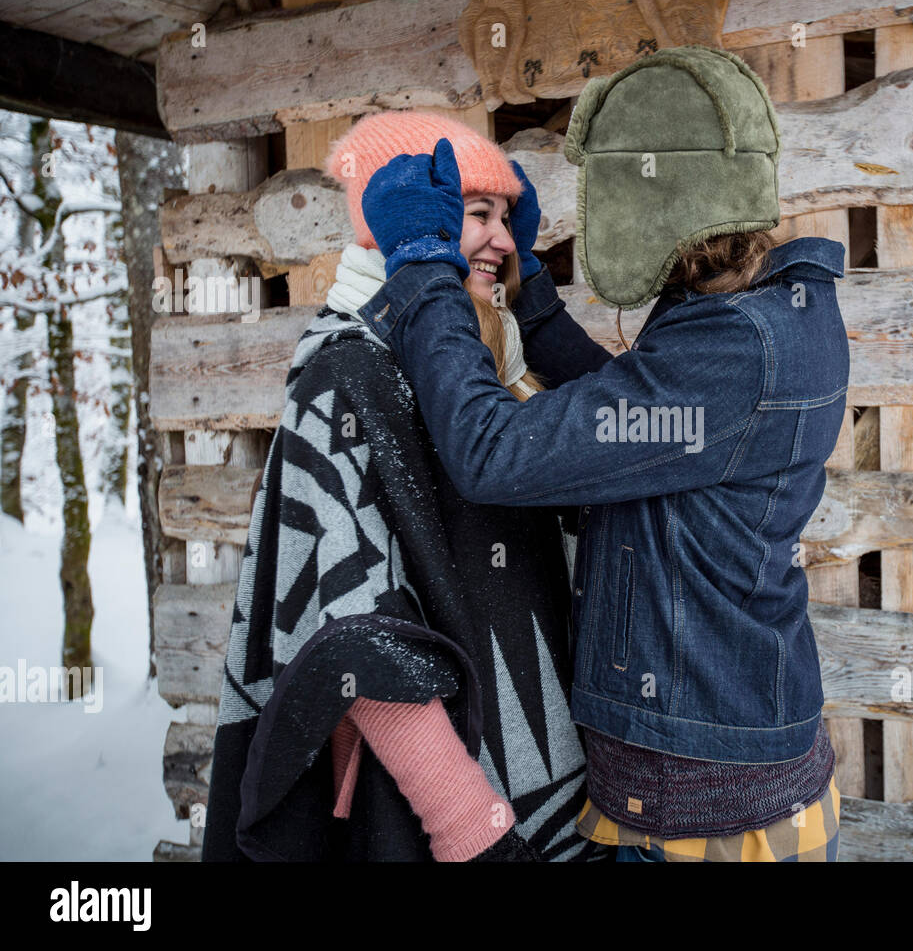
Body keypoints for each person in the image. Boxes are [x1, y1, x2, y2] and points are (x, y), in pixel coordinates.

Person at [354, 46, 848, 861]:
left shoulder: (732, 353)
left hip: (705, 821)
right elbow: (647, 423)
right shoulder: (772, 317)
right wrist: (538, 302)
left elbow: (491, 450)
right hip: (725, 784)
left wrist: (422, 272)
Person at [200, 111, 610, 862]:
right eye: (476, 214)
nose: (506, 242)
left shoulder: (486, 358)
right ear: (395, 223)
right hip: (455, 816)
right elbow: (362, 629)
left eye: (506, 218)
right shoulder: (347, 368)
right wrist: (467, 827)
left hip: (551, 791)